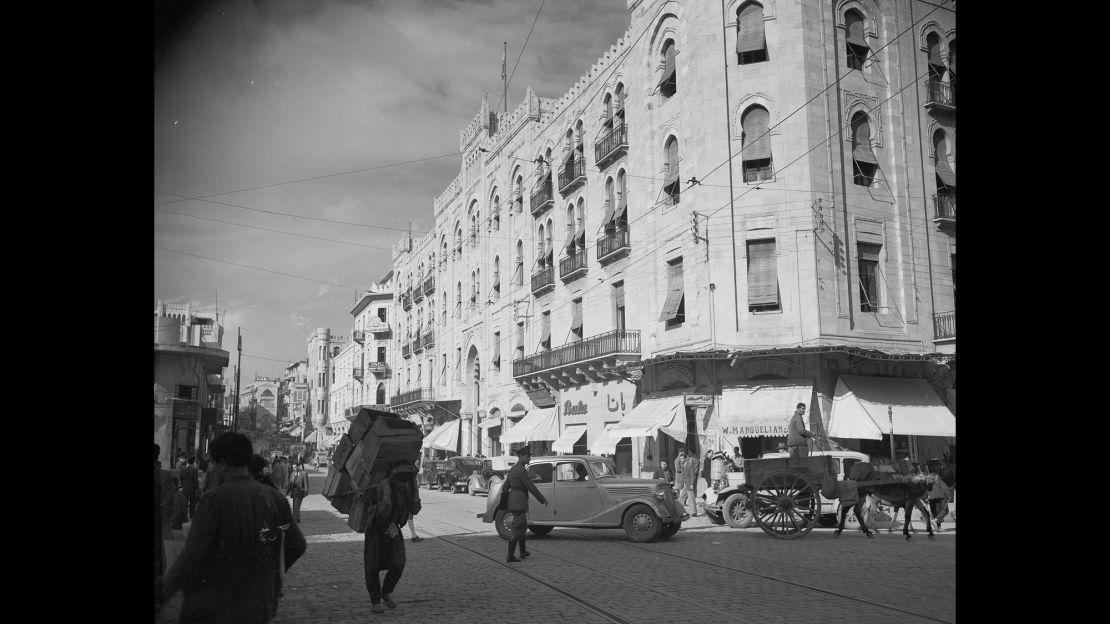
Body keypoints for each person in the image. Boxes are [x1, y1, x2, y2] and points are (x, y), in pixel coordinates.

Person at [159, 432, 307, 624]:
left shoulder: (214, 500)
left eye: (212, 462)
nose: (211, 468)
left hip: (215, 604)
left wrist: (164, 593)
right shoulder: (275, 498)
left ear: (223, 463)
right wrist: (270, 574)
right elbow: (297, 545)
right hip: (259, 604)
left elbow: (191, 555)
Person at [363, 459, 422, 613]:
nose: (403, 485)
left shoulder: (407, 487)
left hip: (393, 529)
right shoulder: (384, 485)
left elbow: (415, 508)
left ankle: (386, 592)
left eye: (407, 482)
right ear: (394, 479)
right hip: (376, 528)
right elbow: (384, 510)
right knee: (372, 567)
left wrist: (414, 487)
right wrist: (387, 492)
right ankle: (375, 601)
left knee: (399, 563)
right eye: (401, 482)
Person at [504, 445, 548, 563]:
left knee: (522, 527)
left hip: (514, 500)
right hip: (519, 502)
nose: (529, 458)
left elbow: (505, 486)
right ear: (521, 456)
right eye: (528, 456)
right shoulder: (521, 470)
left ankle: (523, 552)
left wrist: (504, 502)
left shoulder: (513, 469)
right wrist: (542, 499)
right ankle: (510, 556)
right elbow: (530, 486)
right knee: (516, 529)